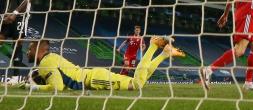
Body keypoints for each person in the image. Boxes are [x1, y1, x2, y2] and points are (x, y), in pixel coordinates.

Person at [20, 37, 184, 91]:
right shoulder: (51, 58)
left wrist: (33, 87)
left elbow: (57, 87)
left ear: (38, 49)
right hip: (95, 76)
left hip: (93, 80)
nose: (27, 52)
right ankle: (164, 54)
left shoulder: (46, 63)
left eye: (30, 48)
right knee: (141, 82)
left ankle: (154, 45)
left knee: (137, 84)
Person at [0, 0, 39, 79]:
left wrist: (15, 13)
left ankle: (16, 77)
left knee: (18, 44)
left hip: (21, 16)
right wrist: (6, 12)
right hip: (8, 15)